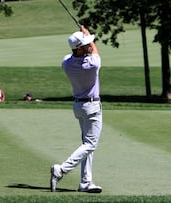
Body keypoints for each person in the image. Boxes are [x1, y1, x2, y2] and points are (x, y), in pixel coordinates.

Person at [50, 25, 103, 193]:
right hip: (92, 106)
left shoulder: (66, 62)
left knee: (87, 144)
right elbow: (95, 51)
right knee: (90, 144)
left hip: (79, 107)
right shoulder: (92, 64)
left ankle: (86, 182)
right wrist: (87, 34)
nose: (89, 45)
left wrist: (84, 37)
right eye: (86, 44)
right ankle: (62, 169)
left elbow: (86, 50)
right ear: (79, 49)